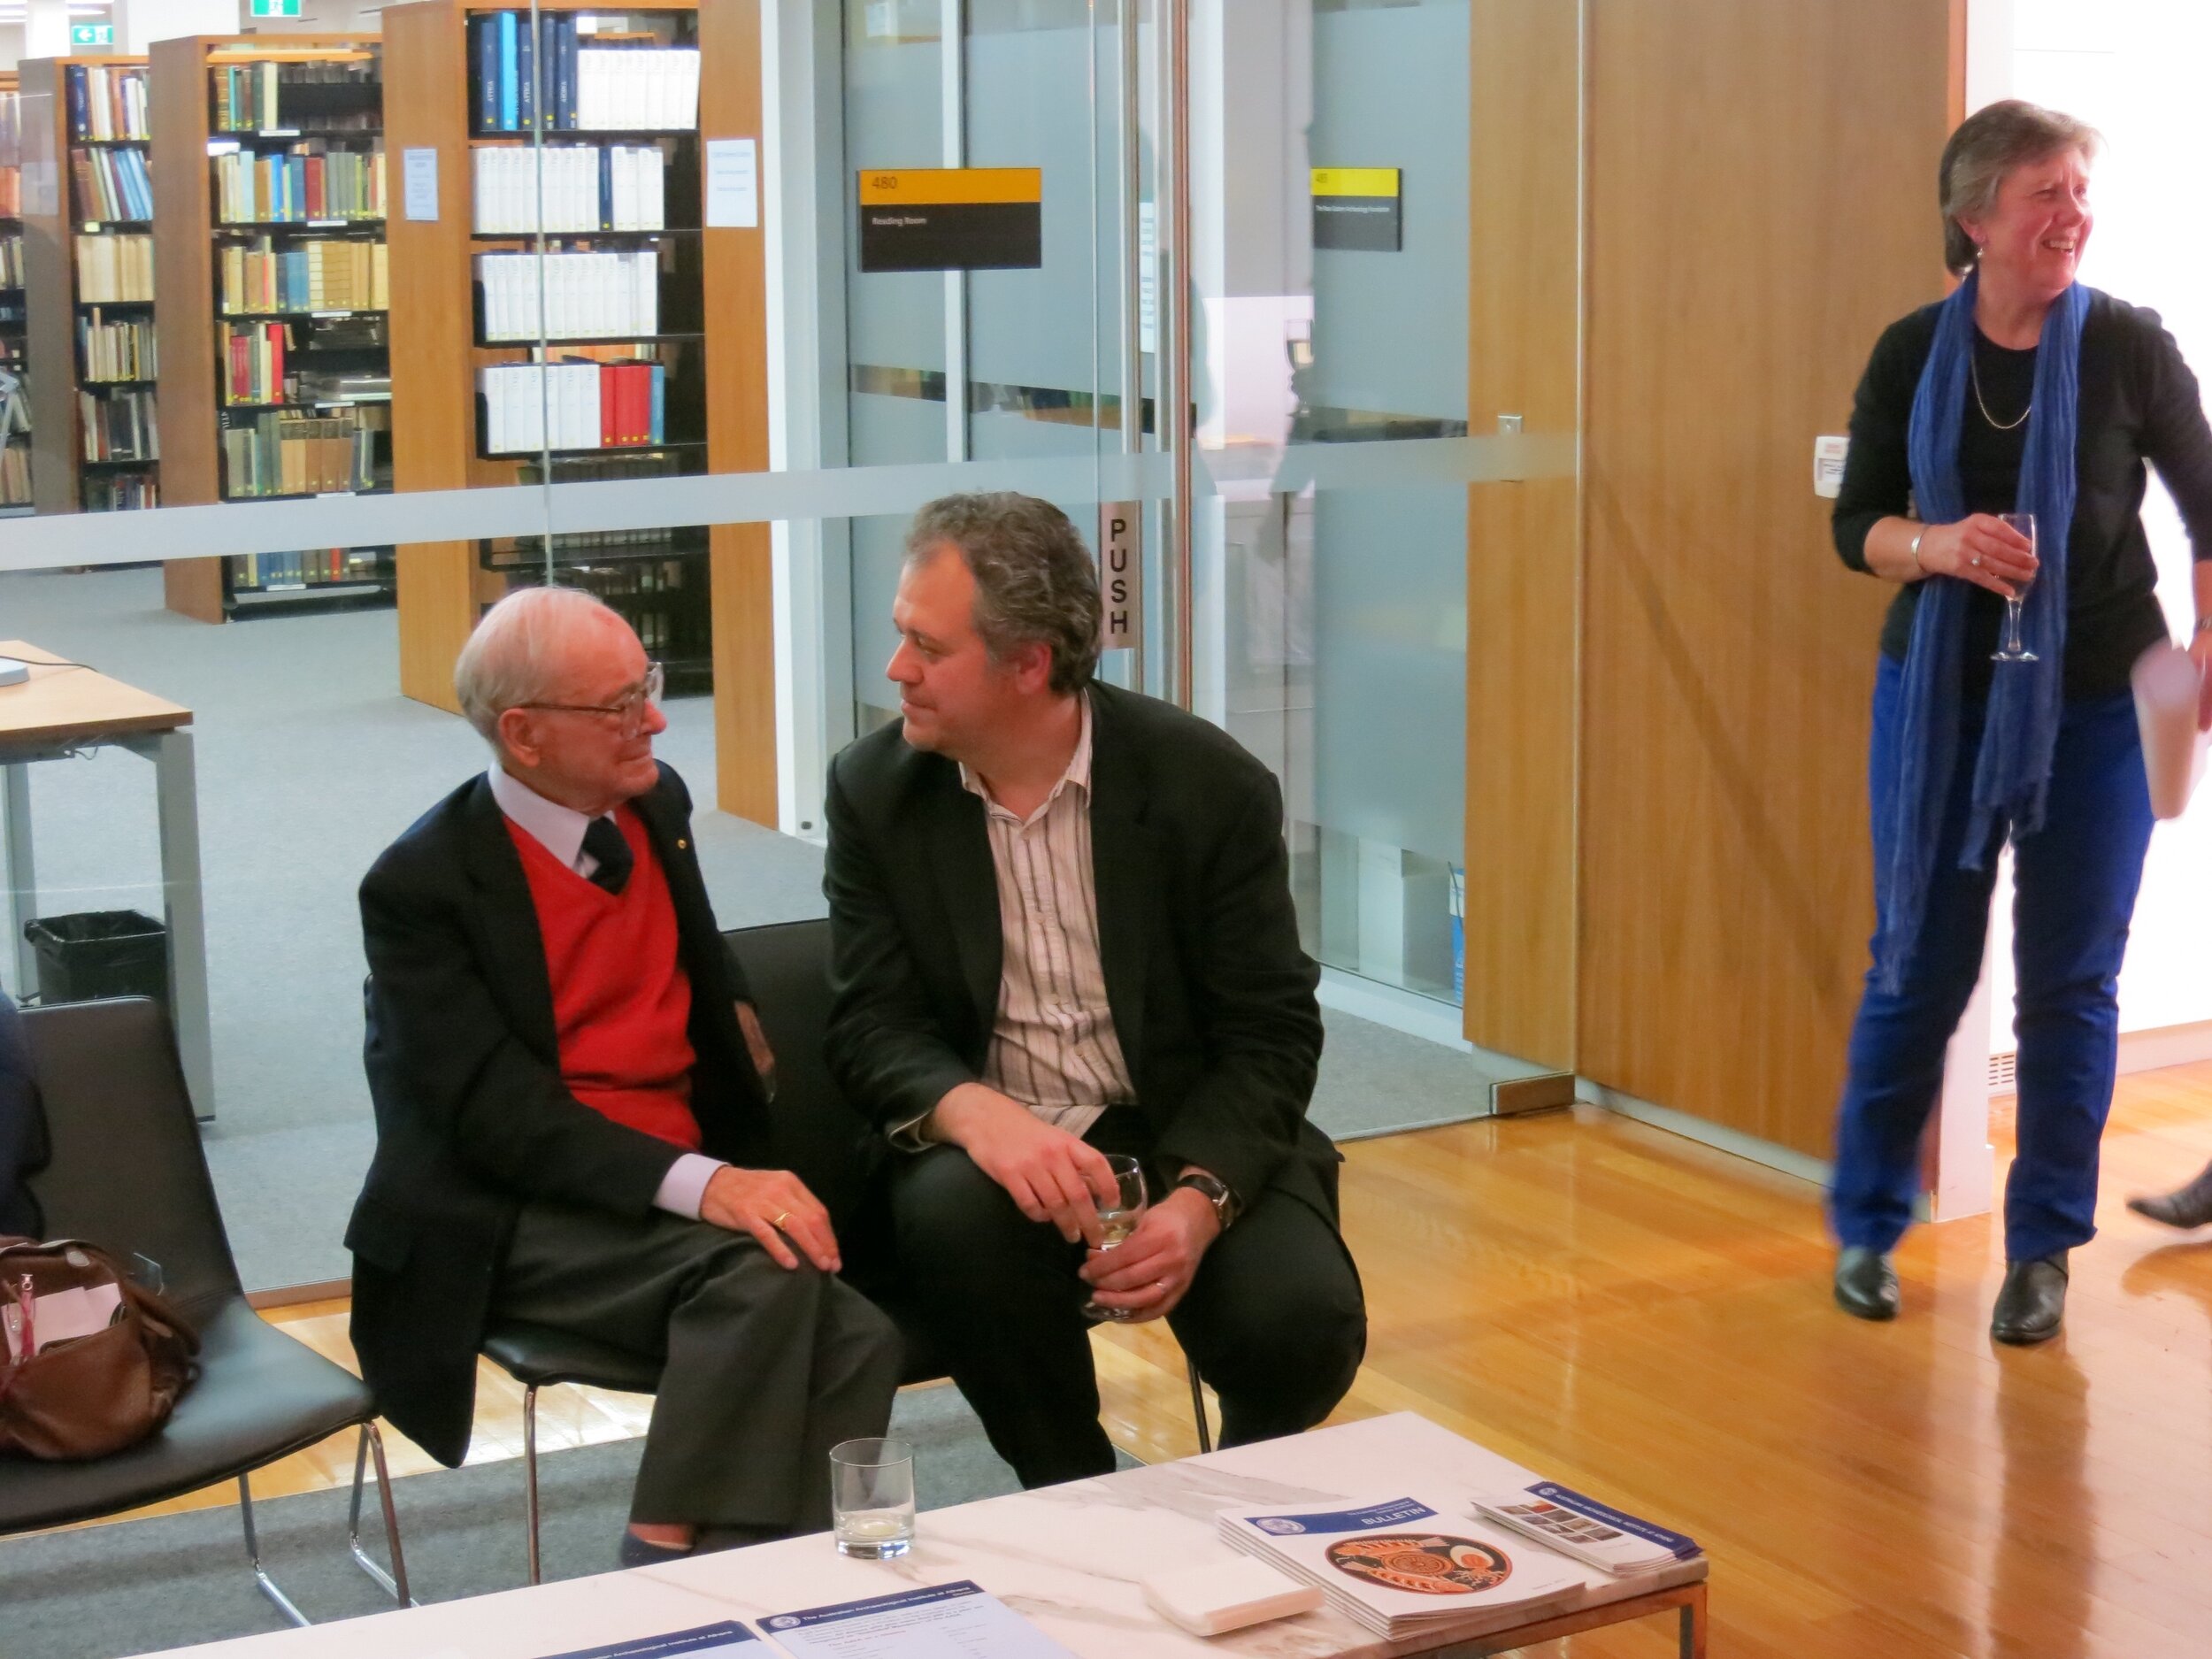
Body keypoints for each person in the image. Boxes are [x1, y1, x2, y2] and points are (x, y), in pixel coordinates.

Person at [823, 491, 1366, 1488]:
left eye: (925, 648)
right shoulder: (876, 791)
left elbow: (1271, 1032)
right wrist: (977, 1116)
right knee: (951, 1219)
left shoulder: (1207, 785)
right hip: (999, 1148)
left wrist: (1199, 1200)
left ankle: (1237, 1499)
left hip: (1182, 1122)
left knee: (1302, 1320)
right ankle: (1070, 1492)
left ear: (1028, 663)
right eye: (900, 637)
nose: (896, 670)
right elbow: (870, 1022)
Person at [348, 587, 900, 1563]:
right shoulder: (422, 888)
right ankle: (657, 1559)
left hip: (659, 1201)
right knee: (762, 1278)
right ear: (523, 734)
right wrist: (711, 1185)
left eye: (644, 686)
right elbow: (497, 1121)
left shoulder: (654, 799)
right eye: (618, 705)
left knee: (858, 1336)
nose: (655, 717)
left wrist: (731, 1005)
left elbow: (680, 939)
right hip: (513, 1213)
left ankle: (742, 1589)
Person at [1826, 100, 2212, 1344]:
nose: (2071, 215)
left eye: (2080, 191)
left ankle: (2042, 1245)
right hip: (1937, 695)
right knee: (1916, 966)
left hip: (2100, 698)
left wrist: (2205, 650)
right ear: (1975, 216)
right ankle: (1870, 1222)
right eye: (2045, 193)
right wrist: (1939, 545)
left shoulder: (2129, 348)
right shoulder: (1908, 351)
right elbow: (1858, 530)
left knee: (2071, 981)